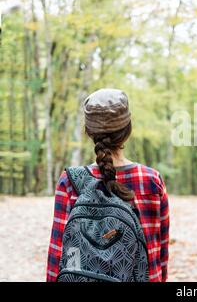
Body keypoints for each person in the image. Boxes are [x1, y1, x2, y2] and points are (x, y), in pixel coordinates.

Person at [46, 88, 169, 282]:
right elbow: (159, 258)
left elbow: (59, 254)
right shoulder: (151, 180)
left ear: (89, 132)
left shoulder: (70, 181)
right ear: (128, 130)